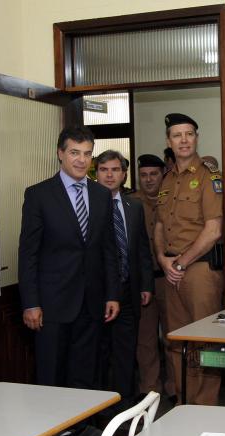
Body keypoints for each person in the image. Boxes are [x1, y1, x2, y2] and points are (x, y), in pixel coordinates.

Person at [17, 125, 120, 389]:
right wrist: (31, 302)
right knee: (52, 376)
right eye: (75, 153)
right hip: (52, 305)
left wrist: (112, 294)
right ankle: (53, 419)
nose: (82, 160)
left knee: (86, 376)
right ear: (60, 154)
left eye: (87, 153)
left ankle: (83, 418)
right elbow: (28, 253)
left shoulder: (101, 194)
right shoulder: (39, 195)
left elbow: (109, 249)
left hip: (92, 304)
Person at [153, 113, 224, 405]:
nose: (183, 140)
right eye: (177, 135)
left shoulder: (209, 176)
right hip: (171, 271)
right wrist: (162, 258)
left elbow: (213, 230)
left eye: (189, 134)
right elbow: (159, 225)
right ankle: (185, 405)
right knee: (177, 342)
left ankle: (205, 408)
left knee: (205, 342)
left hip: (199, 270)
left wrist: (181, 263)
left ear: (196, 138)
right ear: (168, 141)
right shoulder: (167, 179)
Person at [94, 150, 154, 403]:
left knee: (126, 351)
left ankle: (125, 405)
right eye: (104, 170)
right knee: (99, 353)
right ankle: (99, 407)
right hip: (97, 293)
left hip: (129, 290)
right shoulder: (88, 205)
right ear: (96, 174)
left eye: (115, 170)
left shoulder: (134, 206)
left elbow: (142, 248)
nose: (109, 175)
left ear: (124, 174)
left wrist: (146, 284)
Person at [132, 154, 175, 398]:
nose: (148, 179)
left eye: (154, 174)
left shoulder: (172, 199)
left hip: (169, 278)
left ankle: (175, 388)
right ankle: (150, 390)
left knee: (172, 336)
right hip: (142, 282)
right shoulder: (130, 202)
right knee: (146, 339)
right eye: (144, 175)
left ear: (163, 175)